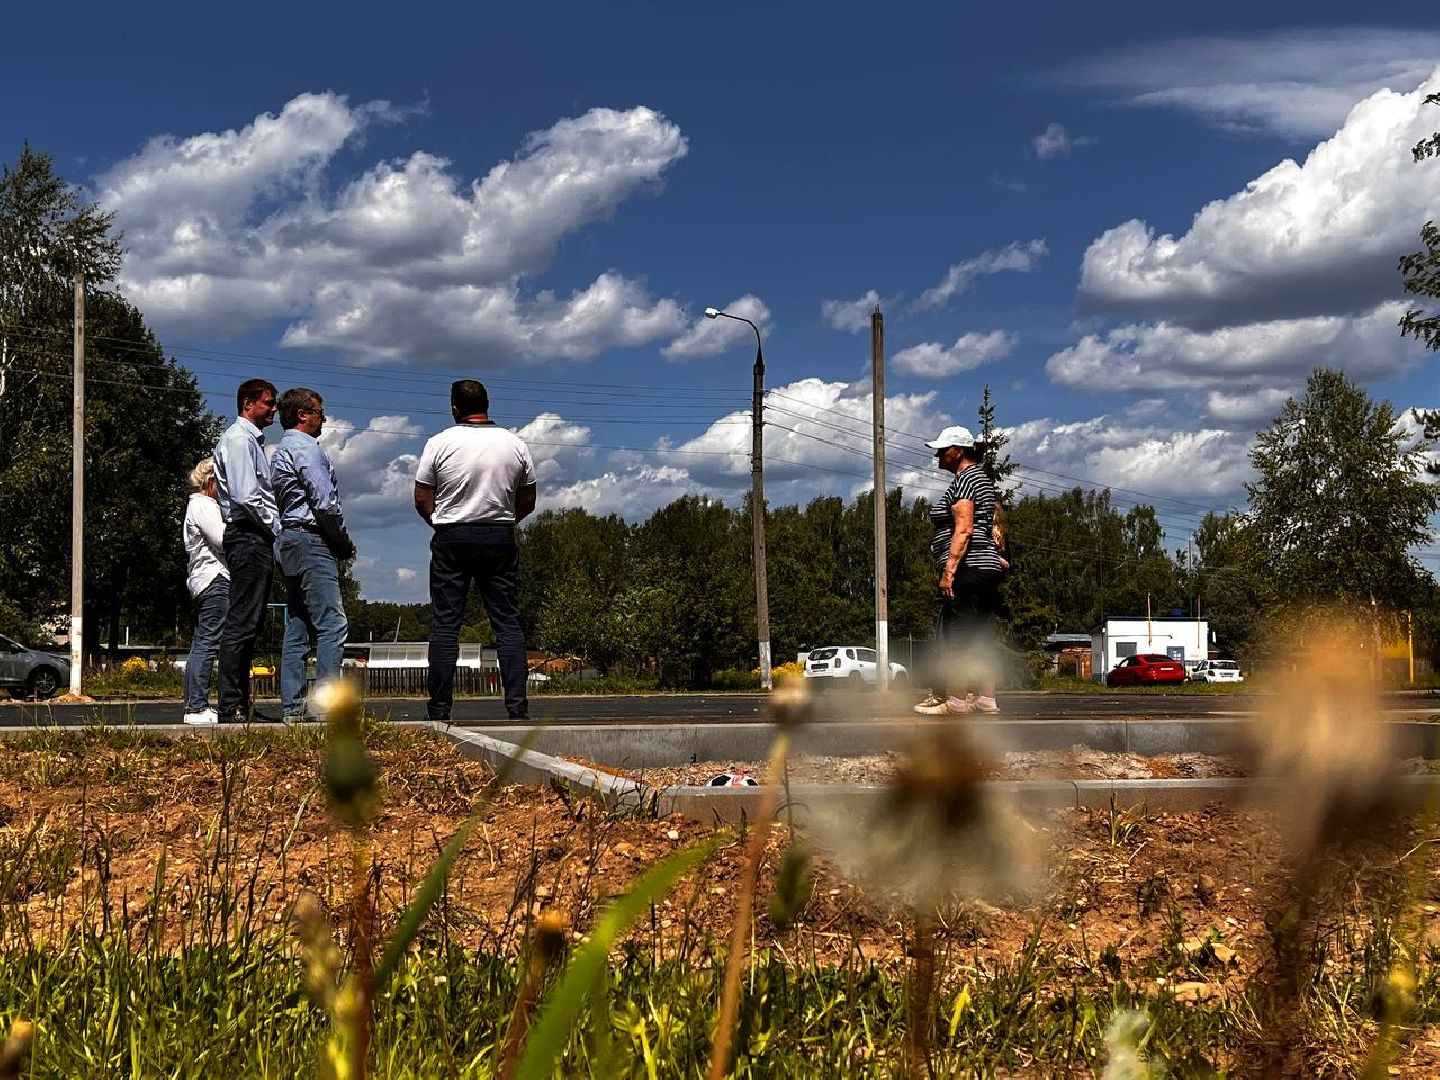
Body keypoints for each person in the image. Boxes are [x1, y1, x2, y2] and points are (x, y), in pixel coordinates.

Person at [414, 380, 537, 721]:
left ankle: (439, 709)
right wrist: (506, 520)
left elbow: (422, 497)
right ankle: (517, 706)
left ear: (454, 407)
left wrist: (440, 521)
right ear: (488, 403)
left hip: (452, 533)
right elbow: (527, 498)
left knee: (445, 625)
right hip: (498, 532)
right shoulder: (514, 444)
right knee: (507, 623)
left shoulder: (439, 443)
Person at [271, 387, 355, 720]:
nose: (324, 418)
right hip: (311, 540)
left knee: (298, 625)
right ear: (303, 414)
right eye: (320, 412)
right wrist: (342, 541)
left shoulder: (280, 451)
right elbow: (324, 501)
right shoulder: (306, 449)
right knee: (332, 624)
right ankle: (327, 708)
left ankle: (293, 705)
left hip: (289, 538)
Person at [914, 425, 1007, 716]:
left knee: (959, 634)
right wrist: (996, 556)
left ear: (959, 451)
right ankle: (986, 699)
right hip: (984, 566)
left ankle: (955, 701)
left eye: (943, 450)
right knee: (981, 635)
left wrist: (949, 572)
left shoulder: (966, 478)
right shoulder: (979, 478)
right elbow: (988, 523)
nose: (939, 455)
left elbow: (965, 528)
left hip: (969, 568)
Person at [214, 378, 281, 723]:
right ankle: (231, 705)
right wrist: (275, 526)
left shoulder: (249, 441)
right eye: (268, 403)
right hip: (249, 534)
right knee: (242, 621)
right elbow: (245, 496)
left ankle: (238, 702)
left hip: (252, 536)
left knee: (249, 621)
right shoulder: (240, 441)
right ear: (248, 405)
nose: (273, 409)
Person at [181, 457, 230, 725]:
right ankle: (197, 706)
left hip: (202, 580)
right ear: (211, 482)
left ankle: (193, 704)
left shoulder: (197, 505)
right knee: (208, 642)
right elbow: (221, 540)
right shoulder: (204, 505)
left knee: (201, 642)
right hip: (215, 578)